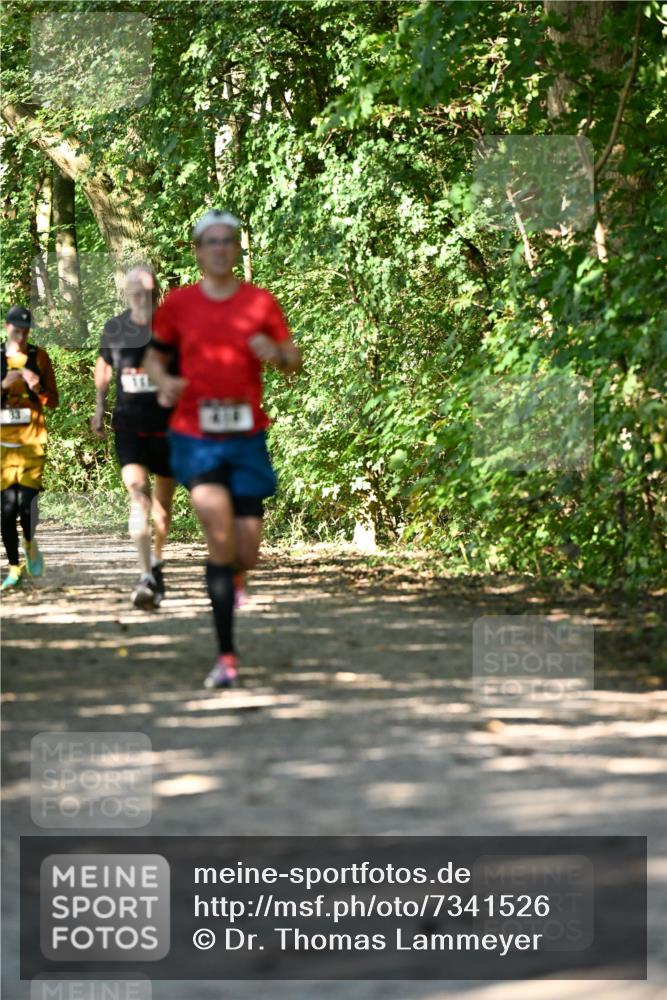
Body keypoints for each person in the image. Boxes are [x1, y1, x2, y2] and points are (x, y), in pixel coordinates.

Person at [144, 210, 301, 688]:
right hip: (195, 434)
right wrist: (164, 380)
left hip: (247, 434)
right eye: (210, 241)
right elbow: (153, 356)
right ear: (197, 250)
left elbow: (293, 357)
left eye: (227, 240)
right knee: (218, 534)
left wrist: (276, 355)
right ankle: (226, 657)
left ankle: (237, 576)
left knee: (247, 552)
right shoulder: (179, 305)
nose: (219, 248)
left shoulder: (260, 303)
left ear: (236, 248)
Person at [90, 265, 177, 609]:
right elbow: (104, 366)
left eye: (146, 291)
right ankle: (144, 575)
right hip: (129, 427)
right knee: (138, 494)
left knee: (163, 513)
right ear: (126, 292)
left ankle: (155, 562)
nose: (140, 296)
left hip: (168, 429)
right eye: (133, 291)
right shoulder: (115, 328)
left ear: (155, 291)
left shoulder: (172, 328)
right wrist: (99, 406)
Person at [1, 305, 59, 590]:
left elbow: (54, 401)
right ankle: (13, 568)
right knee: (6, 510)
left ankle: (30, 542)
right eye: (16, 331)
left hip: (32, 443)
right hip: (2, 448)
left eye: (26, 332)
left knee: (27, 505)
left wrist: (37, 389)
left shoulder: (40, 357)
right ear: (6, 327)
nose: (21, 337)